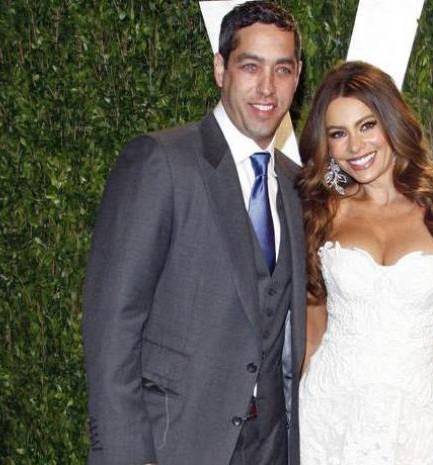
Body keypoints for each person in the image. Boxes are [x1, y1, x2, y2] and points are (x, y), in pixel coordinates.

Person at [82, 2, 306, 464]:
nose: (267, 87)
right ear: (221, 69)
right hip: (175, 443)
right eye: (251, 67)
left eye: (282, 69)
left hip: (269, 447)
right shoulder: (160, 161)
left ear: (297, 76)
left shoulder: (296, 184)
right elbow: (111, 329)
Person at [297, 61, 433, 465]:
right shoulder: (324, 214)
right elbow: (313, 337)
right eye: (338, 134)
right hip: (327, 415)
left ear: (392, 122)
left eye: (367, 125)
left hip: (417, 419)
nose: (355, 146)